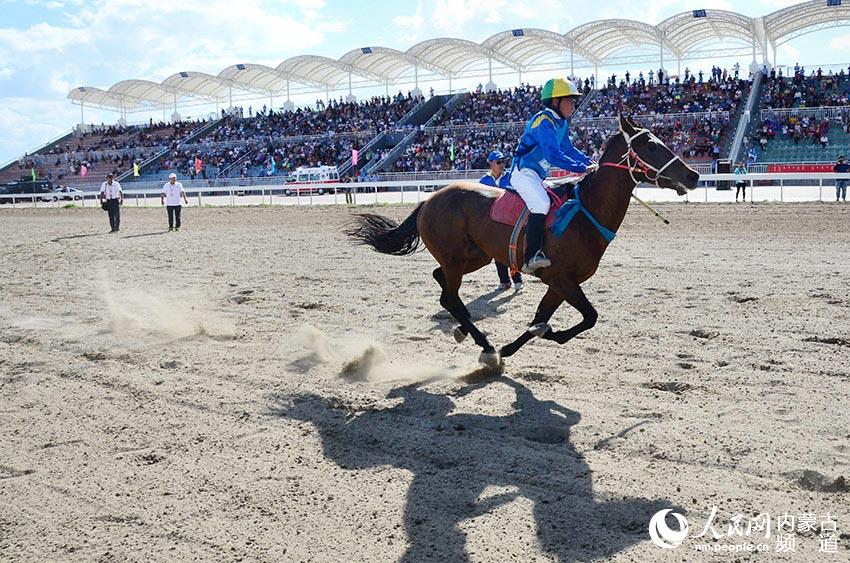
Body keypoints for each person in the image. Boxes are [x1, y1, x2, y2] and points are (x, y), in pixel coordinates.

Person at [510, 78, 590, 274]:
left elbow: (568, 149)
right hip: (523, 172)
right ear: (556, 101)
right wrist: (580, 168)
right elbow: (553, 155)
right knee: (542, 204)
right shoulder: (544, 121)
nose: (573, 104)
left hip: (537, 176)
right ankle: (530, 257)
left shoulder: (560, 123)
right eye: (570, 100)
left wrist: (590, 162)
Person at [479, 150, 523, 291]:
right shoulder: (483, 181)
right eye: (499, 162)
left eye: (503, 161)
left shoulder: (511, 176)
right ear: (490, 163)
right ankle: (504, 281)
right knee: (497, 252)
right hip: (493, 222)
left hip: (510, 220)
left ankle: (517, 280)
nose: (502, 164)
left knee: (512, 251)